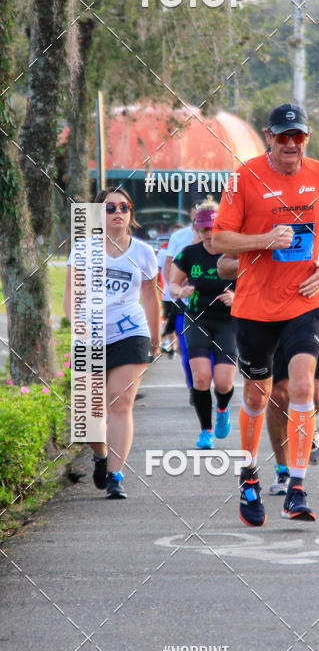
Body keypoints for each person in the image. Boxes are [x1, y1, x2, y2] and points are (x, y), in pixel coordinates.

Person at [212, 103, 319, 526]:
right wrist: (264, 239)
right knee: (257, 395)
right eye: (283, 136)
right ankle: (249, 473)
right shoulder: (245, 176)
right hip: (255, 305)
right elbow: (218, 240)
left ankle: (297, 486)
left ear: (306, 138)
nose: (291, 144)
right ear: (270, 136)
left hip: (305, 301)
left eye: (298, 136)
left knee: (304, 385)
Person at [217, 215, 319, 496]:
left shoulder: (315, 198)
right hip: (266, 316)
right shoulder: (259, 204)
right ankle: (284, 471)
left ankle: (307, 430)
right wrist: (260, 254)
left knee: (313, 395)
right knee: (277, 396)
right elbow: (223, 265)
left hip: (309, 313)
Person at [63, 187, 160, 498]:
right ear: (98, 214)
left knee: (120, 401)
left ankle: (116, 476)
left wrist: (156, 337)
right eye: (109, 208)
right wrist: (76, 323)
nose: (118, 212)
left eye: (124, 206)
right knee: (89, 414)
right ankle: (101, 456)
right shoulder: (82, 249)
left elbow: (150, 297)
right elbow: (71, 294)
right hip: (89, 333)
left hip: (130, 332)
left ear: (130, 213)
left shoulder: (144, 252)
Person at [169, 200, 236, 449]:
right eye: (204, 229)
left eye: (214, 228)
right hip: (196, 318)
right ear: (197, 228)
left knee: (223, 382)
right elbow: (172, 283)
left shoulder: (234, 253)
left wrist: (236, 297)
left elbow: (255, 284)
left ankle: (223, 406)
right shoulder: (189, 253)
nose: (209, 234)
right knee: (201, 378)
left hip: (228, 322)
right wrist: (180, 290)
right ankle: (205, 431)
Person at [163, 204, 201, 399]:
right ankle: (194, 387)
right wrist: (174, 290)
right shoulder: (179, 238)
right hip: (182, 303)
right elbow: (168, 266)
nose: (200, 223)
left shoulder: (221, 237)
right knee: (187, 349)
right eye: (197, 218)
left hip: (213, 308)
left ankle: (209, 385)